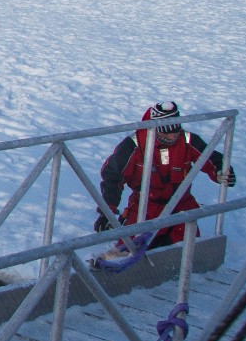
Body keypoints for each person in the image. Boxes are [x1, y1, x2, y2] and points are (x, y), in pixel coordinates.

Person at [98, 101, 234, 249]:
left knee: (185, 245)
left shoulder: (187, 140)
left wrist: (221, 171)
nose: (173, 136)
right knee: (130, 247)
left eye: (176, 130)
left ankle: (166, 251)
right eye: (166, 132)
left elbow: (210, 157)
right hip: (145, 207)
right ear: (155, 129)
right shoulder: (134, 145)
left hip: (181, 205)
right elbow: (112, 176)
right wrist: (107, 213)